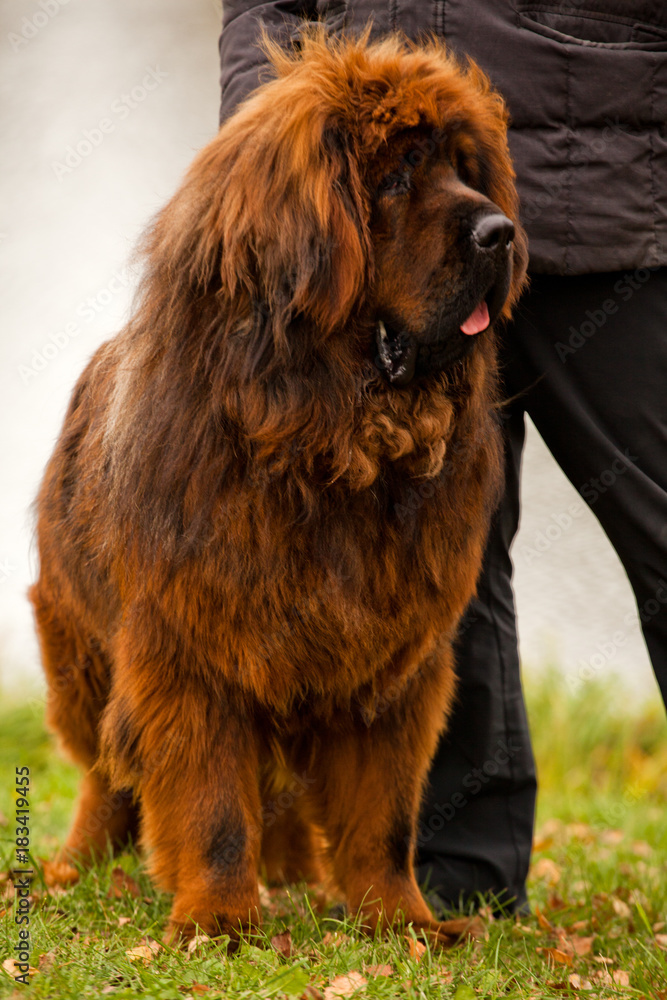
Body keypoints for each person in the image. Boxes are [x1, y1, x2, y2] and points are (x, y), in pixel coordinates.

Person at [217, 1, 667, 914]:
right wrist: (273, 148)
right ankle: (459, 874)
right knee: (432, 559)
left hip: (599, 196)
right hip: (376, 242)